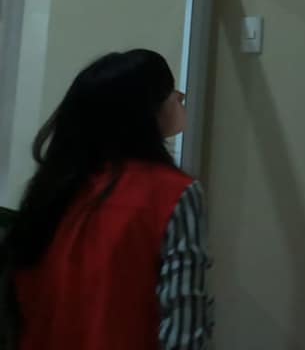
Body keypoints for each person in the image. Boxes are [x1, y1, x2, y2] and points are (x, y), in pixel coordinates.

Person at [0, 50, 213, 350]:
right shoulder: (173, 194)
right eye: (171, 94)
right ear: (147, 113)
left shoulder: (52, 191)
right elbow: (184, 329)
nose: (179, 100)